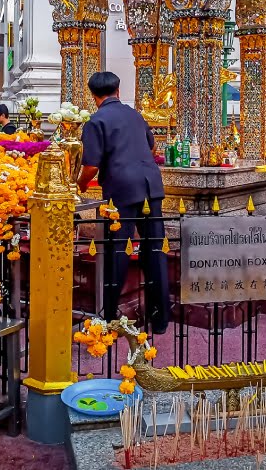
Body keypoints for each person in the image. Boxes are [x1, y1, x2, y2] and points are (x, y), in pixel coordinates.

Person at [77, 71, 169, 334]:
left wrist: (80, 185)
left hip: (122, 190)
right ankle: (160, 318)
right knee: (156, 250)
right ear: (118, 90)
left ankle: (109, 318)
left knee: (117, 252)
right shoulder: (135, 115)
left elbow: (91, 165)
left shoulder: (96, 121)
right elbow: (151, 148)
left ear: (94, 96)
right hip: (151, 185)